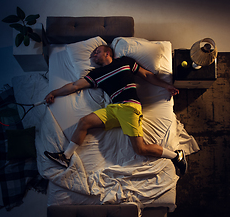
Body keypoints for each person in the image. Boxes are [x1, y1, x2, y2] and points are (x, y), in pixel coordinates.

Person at [44, 45, 187, 175]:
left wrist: (166, 86)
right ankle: (66, 157)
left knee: (140, 149)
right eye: (93, 53)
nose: (93, 55)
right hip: (113, 109)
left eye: (97, 52)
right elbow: (74, 86)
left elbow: (147, 75)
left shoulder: (125, 62)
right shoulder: (96, 74)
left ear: (107, 53)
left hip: (129, 107)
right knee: (84, 121)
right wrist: (53, 93)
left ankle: (176, 155)